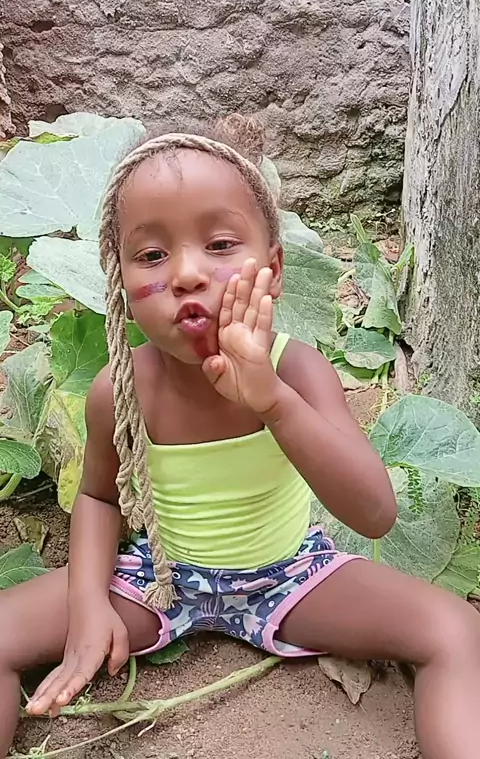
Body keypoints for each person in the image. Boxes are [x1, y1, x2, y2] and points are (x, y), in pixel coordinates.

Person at [0, 117, 479, 759]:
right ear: (120, 282)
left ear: (273, 269)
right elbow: (98, 498)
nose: (186, 273)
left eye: (221, 244)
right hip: (161, 579)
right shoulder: (120, 388)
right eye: (151, 255)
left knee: (453, 628)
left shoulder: (299, 369)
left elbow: (374, 513)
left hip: (291, 575)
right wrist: (89, 606)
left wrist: (273, 401)